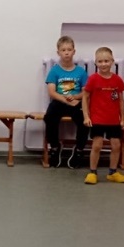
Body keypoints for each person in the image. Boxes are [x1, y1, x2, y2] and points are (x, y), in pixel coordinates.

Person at [82, 47, 124, 185]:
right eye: (100, 61)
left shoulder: (117, 80)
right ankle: (92, 172)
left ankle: (112, 173)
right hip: (97, 119)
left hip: (113, 120)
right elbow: (85, 97)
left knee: (116, 145)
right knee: (97, 145)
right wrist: (86, 116)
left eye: (106, 61)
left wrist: (122, 119)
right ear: (96, 63)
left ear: (112, 61)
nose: (103, 64)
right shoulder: (93, 79)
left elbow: (120, 100)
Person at [43, 36, 89, 169]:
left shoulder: (81, 72)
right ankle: (55, 148)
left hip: (76, 102)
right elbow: (52, 92)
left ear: (74, 51)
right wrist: (67, 101)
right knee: (49, 117)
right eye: (63, 50)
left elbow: (85, 92)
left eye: (69, 50)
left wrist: (75, 98)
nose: (67, 53)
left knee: (85, 120)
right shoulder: (54, 71)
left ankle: (79, 150)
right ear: (58, 52)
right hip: (60, 102)